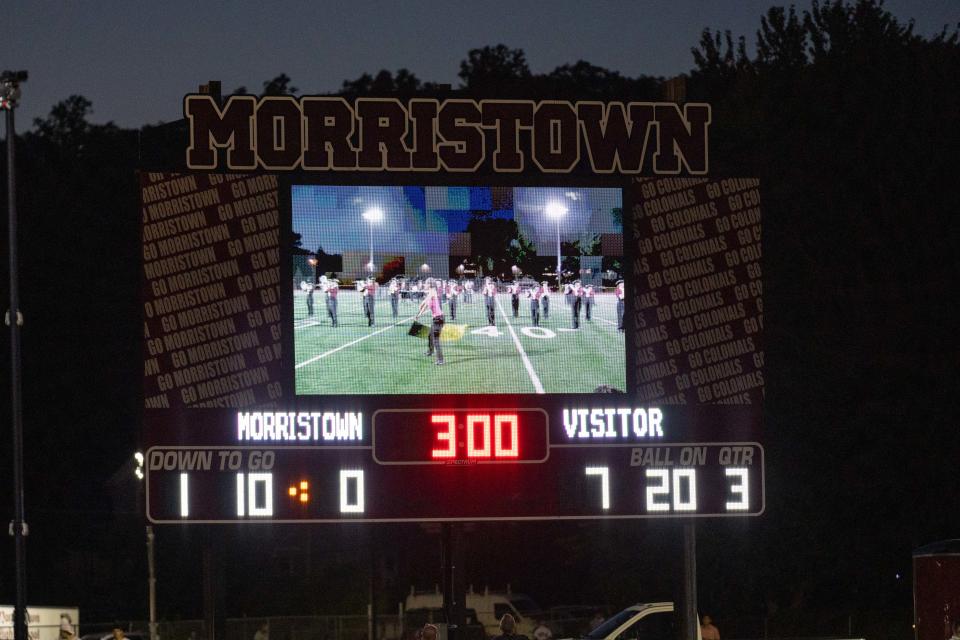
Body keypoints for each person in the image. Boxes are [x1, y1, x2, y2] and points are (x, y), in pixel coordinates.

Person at [416, 279, 445, 365]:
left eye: (426, 283)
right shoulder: (431, 293)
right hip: (437, 319)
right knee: (430, 335)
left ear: (430, 284)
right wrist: (420, 311)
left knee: (436, 340)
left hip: (439, 319)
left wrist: (420, 311)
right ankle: (430, 351)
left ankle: (441, 360)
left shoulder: (432, 292)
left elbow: (426, 304)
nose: (425, 285)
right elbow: (425, 303)